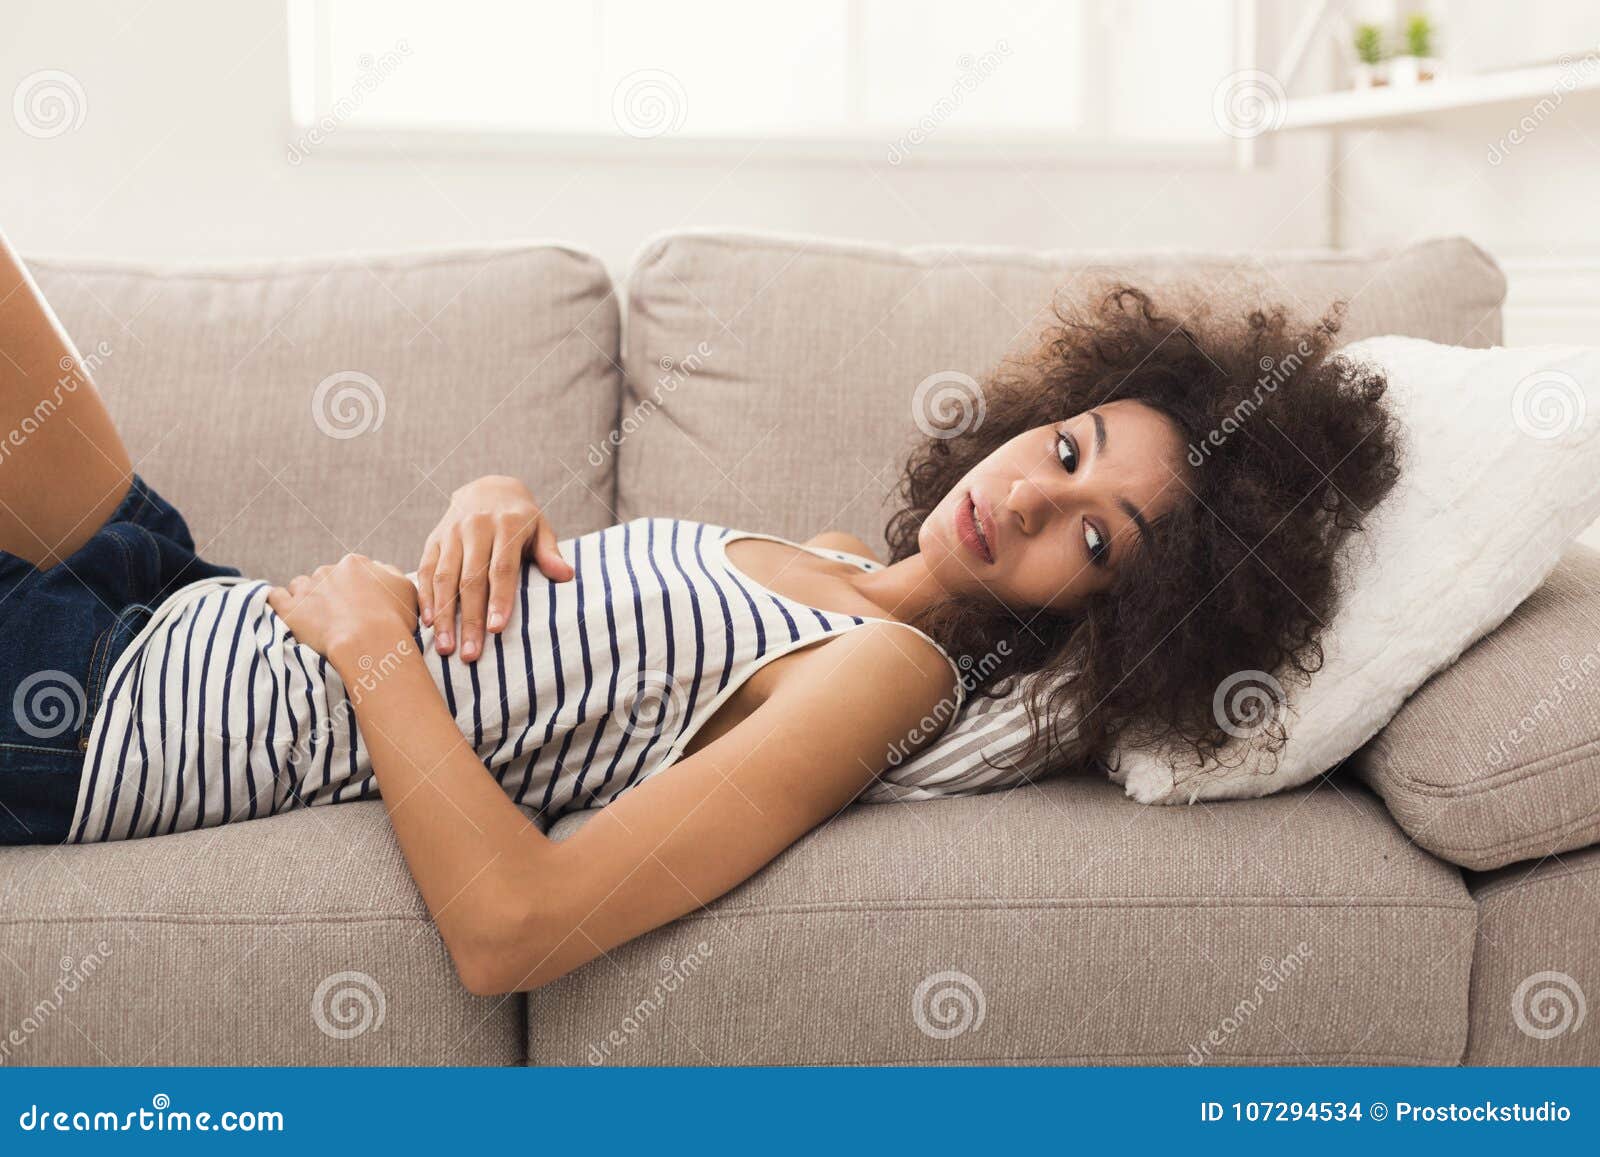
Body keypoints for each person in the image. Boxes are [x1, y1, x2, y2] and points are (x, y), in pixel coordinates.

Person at [0, 228, 1399, 993]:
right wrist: (495, 492)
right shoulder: (836, 559)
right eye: (1073, 447)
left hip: (112, 718)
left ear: (1123, 618)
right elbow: (579, 649)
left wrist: (377, 653)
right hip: (187, 596)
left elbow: (514, 927)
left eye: (1096, 536)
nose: (1033, 496)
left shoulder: (888, 674)